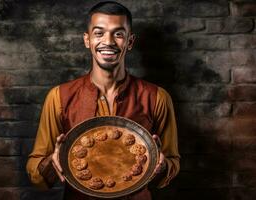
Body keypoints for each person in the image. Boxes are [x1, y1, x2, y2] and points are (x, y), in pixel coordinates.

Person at [26, 1, 180, 199]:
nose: (108, 41)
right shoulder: (59, 97)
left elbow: (173, 164)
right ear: (87, 40)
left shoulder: (157, 97)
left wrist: (161, 166)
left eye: (118, 34)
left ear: (130, 42)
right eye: (99, 33)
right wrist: (52, 161)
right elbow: (36, 176)